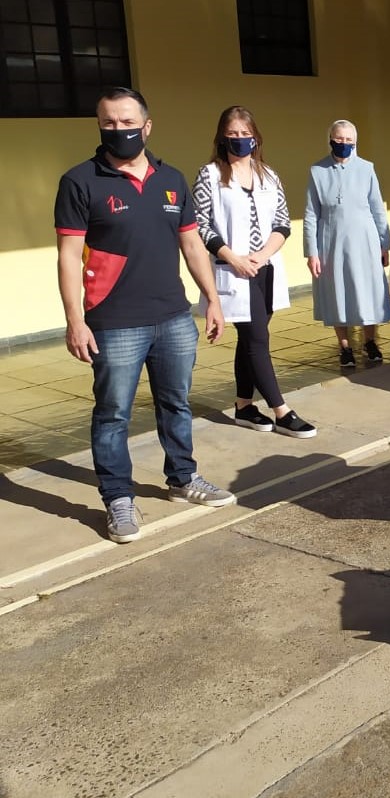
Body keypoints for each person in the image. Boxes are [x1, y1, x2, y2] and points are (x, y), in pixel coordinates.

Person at [55, 87, 236, 544]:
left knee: (176, 403)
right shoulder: (80, 181)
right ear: (100, 125)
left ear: (147, 126)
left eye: (127, 122)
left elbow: (192, 244)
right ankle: (118, 498)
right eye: (109, 122)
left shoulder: (171, 178)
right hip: (113, 322)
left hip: (173, 316)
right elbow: (68, 255)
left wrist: (212, 299)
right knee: (113, 414)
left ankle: (183, 479)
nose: (119, 129)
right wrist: (75, 320)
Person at [193, 106, 316, 438]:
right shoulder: (210, 175)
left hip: (265, 269)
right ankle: (281, 411)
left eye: (245, 134)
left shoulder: (268, 175)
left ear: (256, 137)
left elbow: (282, 222)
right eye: (232, 134)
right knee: (258, 340)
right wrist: (233, 258)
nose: (239, 139)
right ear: (222, 138)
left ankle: (244, 406)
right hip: (233, 271)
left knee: (249, 340)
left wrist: (261, 256)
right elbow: (200, 225)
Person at [303, 119, 390, 368]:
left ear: (355, 142)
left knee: (367, 290)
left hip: (365, 240)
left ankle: (370, 341)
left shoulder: (367, 168)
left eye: (348, 140)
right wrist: (311, 252)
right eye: (339, 139)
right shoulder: (317, 170)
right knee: (337, 293)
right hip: (331, 241)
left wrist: (385, 243)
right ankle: (344, 346)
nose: (343, 143)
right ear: (330, 139)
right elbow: (311, 214)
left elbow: (377, 208)